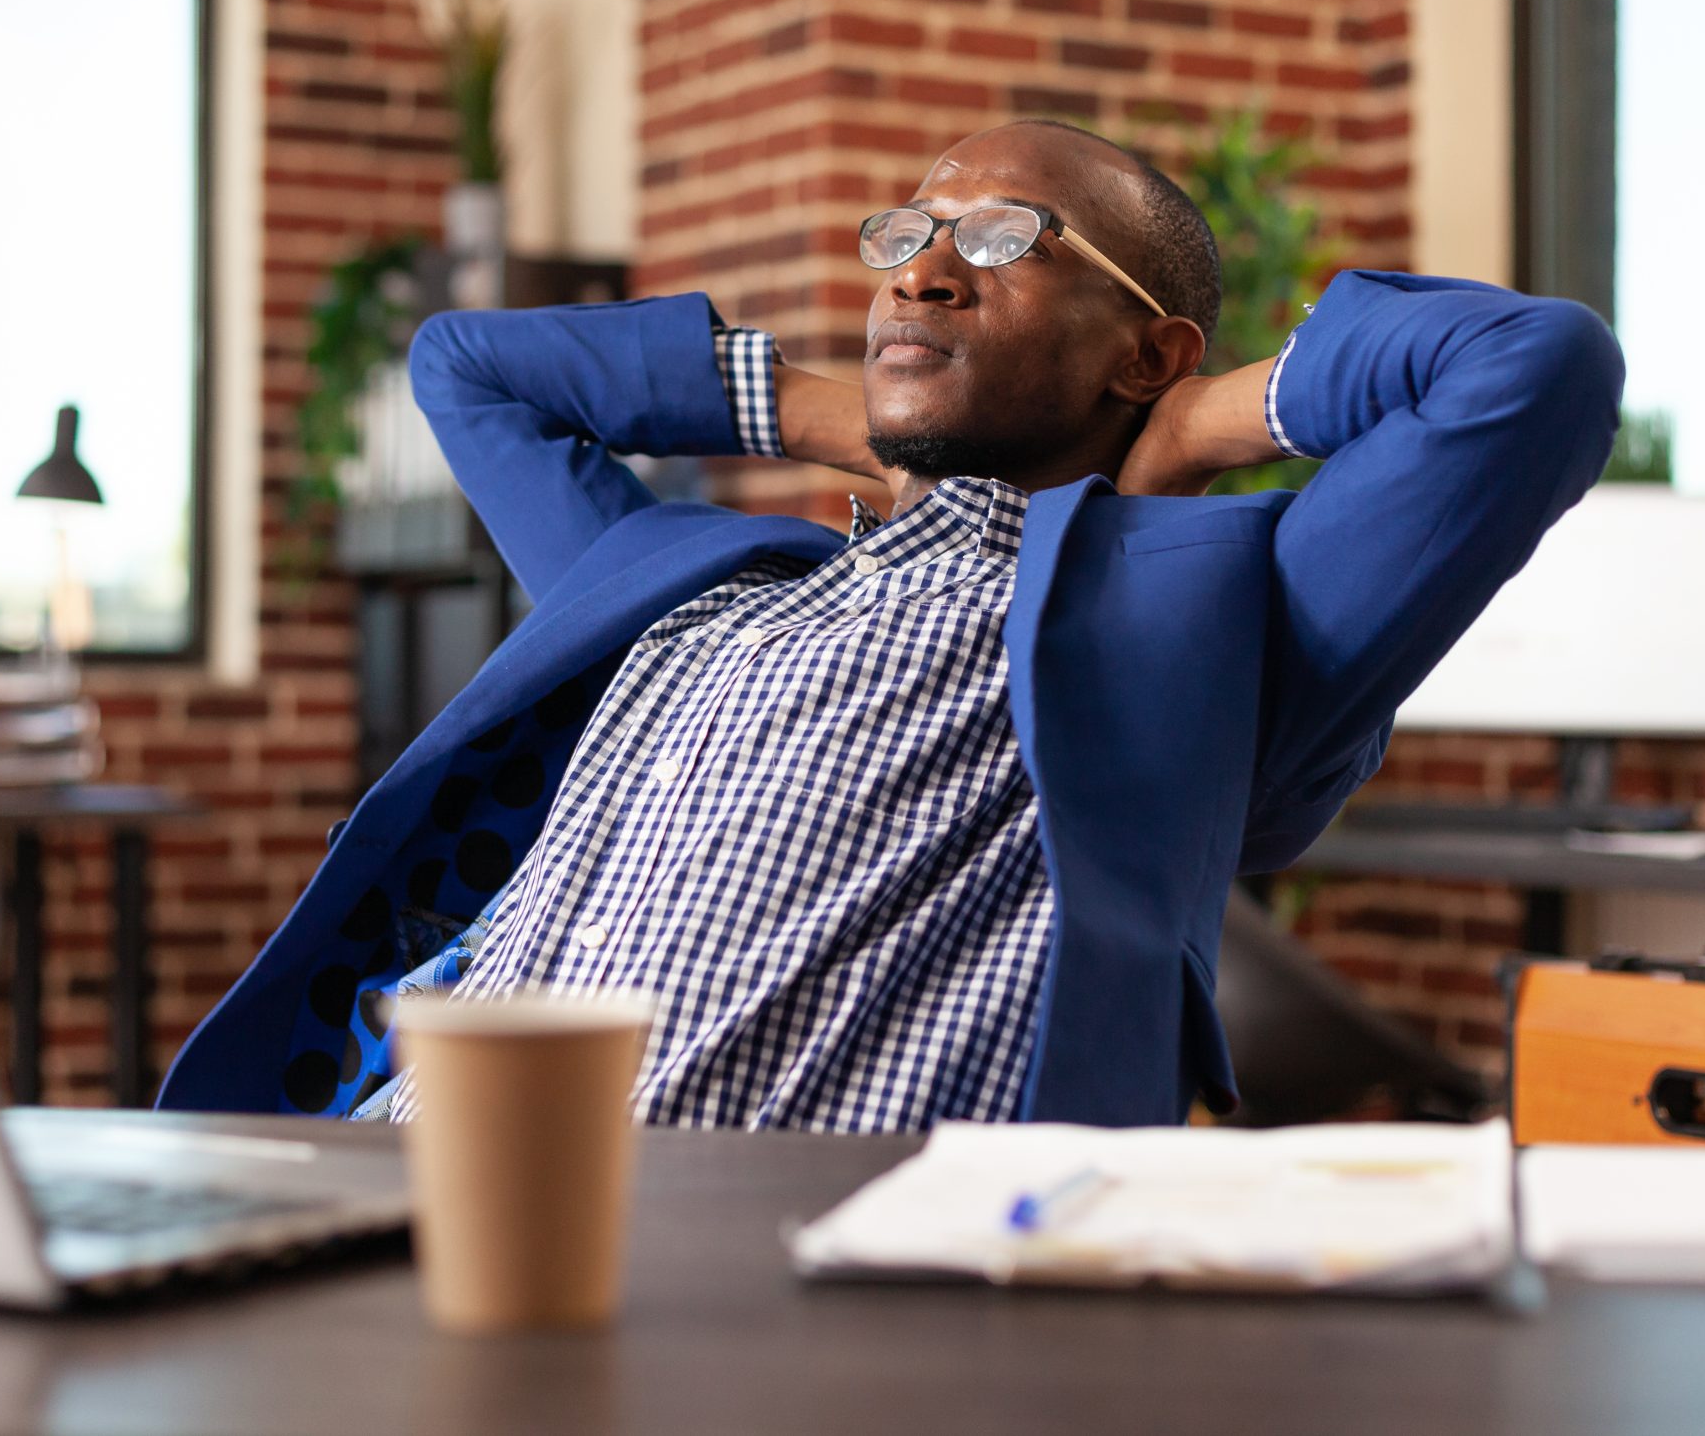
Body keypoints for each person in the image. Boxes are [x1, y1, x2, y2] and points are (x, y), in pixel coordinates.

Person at [157, 120, 1625, 1131]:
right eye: (909, 234)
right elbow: (466, 365)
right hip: (391, 1181)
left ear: (1145, 347)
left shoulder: (1186, 625)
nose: (920, 267)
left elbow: (1534, 366)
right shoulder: (695, 581)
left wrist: (1181, 430)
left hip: (722, 1276)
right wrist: (843, 418)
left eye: (1001, 240)